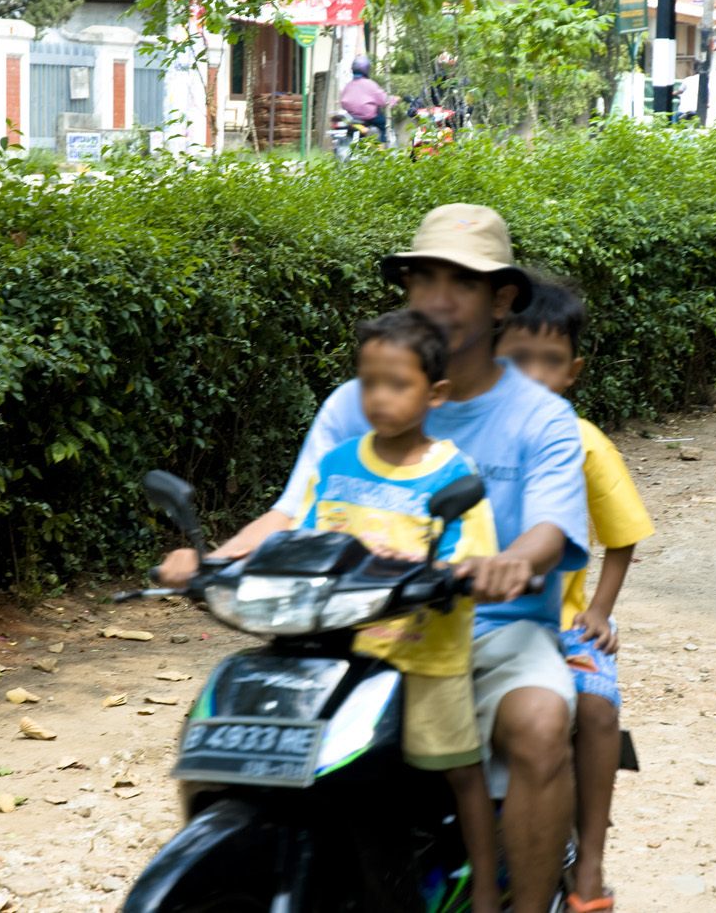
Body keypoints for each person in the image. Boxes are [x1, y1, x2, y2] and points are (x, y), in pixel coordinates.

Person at [160, 203, 590, 913]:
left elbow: (550, 528)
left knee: (540, 719)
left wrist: (509, 560)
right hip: (352, 626)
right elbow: (291, 511)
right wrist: (213, 557)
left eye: (461, 281)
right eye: (422, 279)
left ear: (502, 300)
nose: (437, 297)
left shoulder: (541, 416)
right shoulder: (354, 402)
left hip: (487, 626)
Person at [294, 308, 502, 913]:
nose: (378, 397)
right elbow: (311, 537)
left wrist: (434, 566)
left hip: (424, 657)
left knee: (460, 770)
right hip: (347, 651)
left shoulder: (451, 474)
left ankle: (485, 889)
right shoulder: (337, 465)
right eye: (368, 381)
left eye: (397, 383)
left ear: (435, 392)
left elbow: (471, 554)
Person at [495, 281, 655, 913]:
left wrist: (597, 613)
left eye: (550, 360)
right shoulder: (466, 432)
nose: (533, 375)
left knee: (595, 708)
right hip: (471, 619)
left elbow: (622, 537)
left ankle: (588, 863)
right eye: (517, 358)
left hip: (558, 625)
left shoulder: (583, 441)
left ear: (574, 371)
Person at [339, 54, 393, 144]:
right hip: (367, 117)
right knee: (386, 124)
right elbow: (384, 100)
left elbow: (343, 101)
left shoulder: (348, 85)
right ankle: (383, 149)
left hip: (351, 117)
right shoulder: (370, 84)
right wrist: (394, 100)